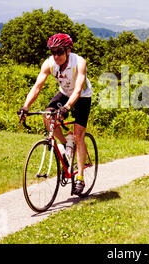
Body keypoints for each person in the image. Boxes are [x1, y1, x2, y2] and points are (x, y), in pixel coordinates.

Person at [17, 33, 93, 195]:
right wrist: (25, 106)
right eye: (53, 52)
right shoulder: (49, 63)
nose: (56, 55)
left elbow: (78, 89)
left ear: (68, 50)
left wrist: (66, 108)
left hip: (82, 97)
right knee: (48, 116)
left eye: (59, 51)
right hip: (65, 93)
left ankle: (80, 177)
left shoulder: (79, 62)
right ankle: (66, 145)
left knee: (79, 135)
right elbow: (37, 86)